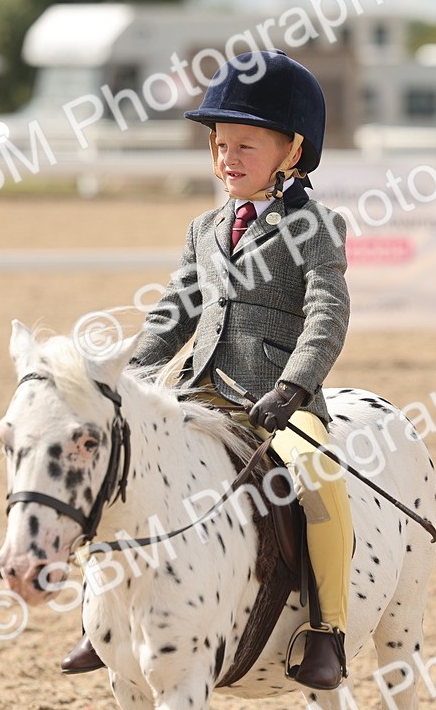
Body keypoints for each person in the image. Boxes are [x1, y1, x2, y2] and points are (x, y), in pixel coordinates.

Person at [60, 49, 354, 691]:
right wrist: (127, 376)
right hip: (200, 391)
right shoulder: (204, 229)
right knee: (121, 463)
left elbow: (327, 312)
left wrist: (295, 385)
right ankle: (101, 617)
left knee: (320, 481)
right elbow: (175, 310)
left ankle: (326, 631)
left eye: (246, 144)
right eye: (220, 144)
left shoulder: (313, 227)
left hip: (279, 398)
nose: (228, 157)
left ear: (293, 149)